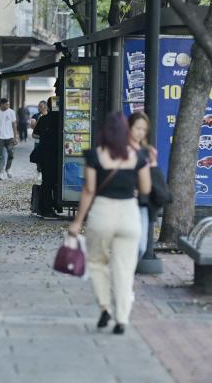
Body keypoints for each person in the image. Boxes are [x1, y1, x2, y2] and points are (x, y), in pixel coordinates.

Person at [68, 112, 151, 334]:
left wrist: (77, 222)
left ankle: (105, 307)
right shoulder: (138, 156)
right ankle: (122, 319)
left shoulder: (95, 156)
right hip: (129, 215)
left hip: (102, 214)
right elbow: (145, 189)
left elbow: (88, 190)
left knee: (96, 263)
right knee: (124, 270)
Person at [128, 111, 159, 259]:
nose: (140, 132)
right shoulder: (121, 150)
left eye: (144, 129)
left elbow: (155, 180)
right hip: (124, 203)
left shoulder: (147, 152)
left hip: (142, 203)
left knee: (141, 246)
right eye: (137, 128)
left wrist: (153, 163)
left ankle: (127, 270)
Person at [32, 97, 60, 219]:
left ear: (48, 106)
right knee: (51, 181)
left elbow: (35, 133)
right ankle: (48, 208)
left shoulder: (44, 118)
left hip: (44, 154)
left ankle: (45, 207)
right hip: (54, 154)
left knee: (46, 181)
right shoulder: (60, 118)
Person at [0, 98, 18, 180]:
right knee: (0, 156)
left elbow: (14, 125)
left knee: (11, 154)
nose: (7, 105)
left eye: (8, 104)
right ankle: (1, 172)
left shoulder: (11, 112)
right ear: (1, 104)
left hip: (10, 137)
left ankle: (8, 168)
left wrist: (15, 137)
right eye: (6, 104)